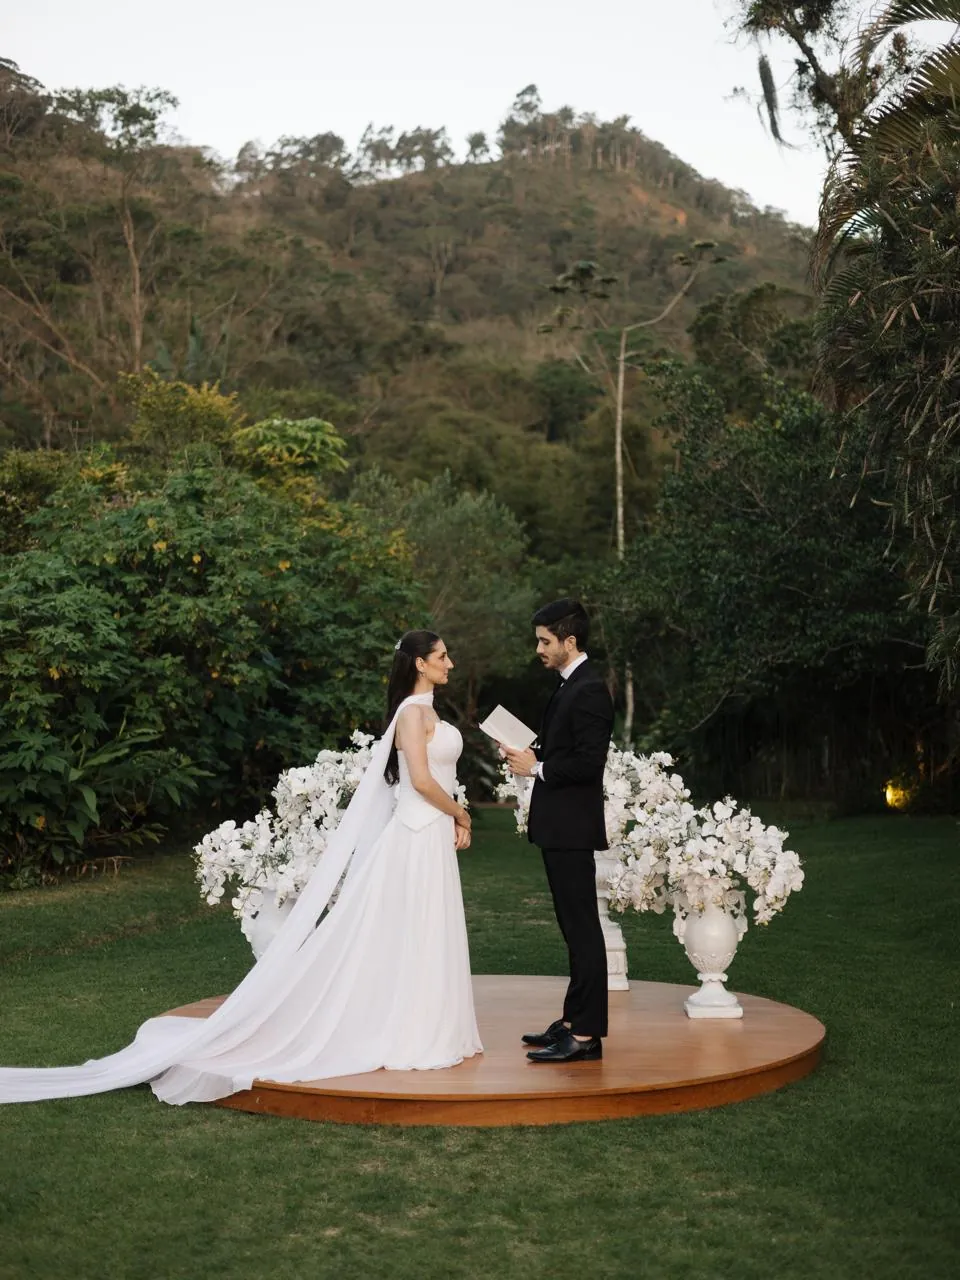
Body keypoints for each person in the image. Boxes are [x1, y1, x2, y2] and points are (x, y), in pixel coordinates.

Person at [0, 631, 482, 1105]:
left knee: (424, 930)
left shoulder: (428, 711)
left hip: (430, 833)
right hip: (416, 835)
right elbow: (418, 779)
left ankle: (422, 1024)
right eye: (443, 656)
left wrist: (453, 820)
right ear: (419, 663)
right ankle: (407, 1029)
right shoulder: (412, 713)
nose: (450, 663)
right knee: (412, 929)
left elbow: (436, 776)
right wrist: (460, 812)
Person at [502, 599, 614, 1063]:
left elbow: (589, 763)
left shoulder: (589, 688)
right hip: (559, 826)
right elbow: (564, 747)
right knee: (574, 928)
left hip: (571, 827)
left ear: (570, 641)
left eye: (546, 641)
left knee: (583, 929)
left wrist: (538, 766)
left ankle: (586, 1036)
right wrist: (527, 755)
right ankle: (572, 1021)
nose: (538, 649)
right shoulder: (569, 685)